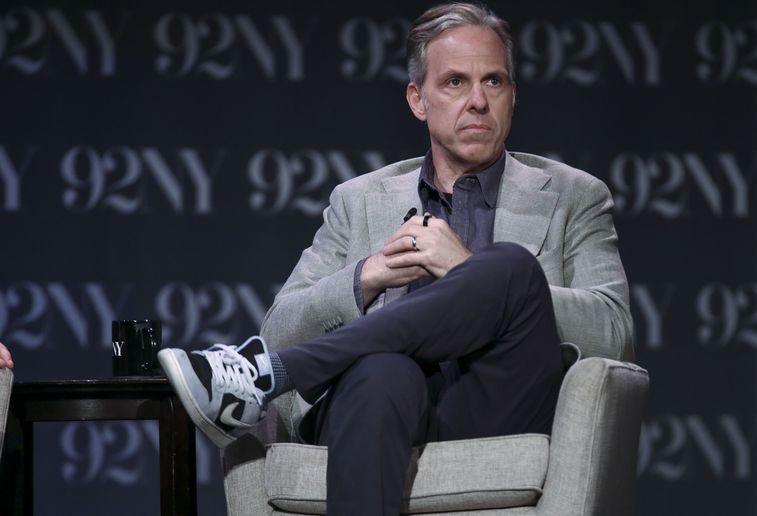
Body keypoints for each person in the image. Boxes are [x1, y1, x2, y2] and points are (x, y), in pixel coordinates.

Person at [158, 3, 632, 514]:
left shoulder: (572, 196)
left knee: (510, 266)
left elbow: (613, 331)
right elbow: (280, 325)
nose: (477, 101)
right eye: (454, 82)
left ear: (513, 97)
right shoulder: (359, 200)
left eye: (493, 82)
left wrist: (467, 266)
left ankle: (270, 373)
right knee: (382, 370)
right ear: (418, 100)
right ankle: (279, 368)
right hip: (383, 403)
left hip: (502, 403)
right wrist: (363, 279)